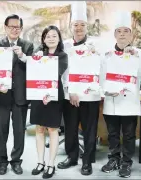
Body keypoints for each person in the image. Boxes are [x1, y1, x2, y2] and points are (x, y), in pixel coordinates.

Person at [99, 11, 141, 178]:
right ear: (114, 35)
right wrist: (104, 90)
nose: (122, 34)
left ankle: (126, 162)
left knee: (128, 135)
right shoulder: (106, 54)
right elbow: (100, 76)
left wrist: (135, 56)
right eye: (119, 31)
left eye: (126, 31)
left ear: (131, 35)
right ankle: (113, 159)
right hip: (111, 100)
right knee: (112, 133)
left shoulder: (140, 53)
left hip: (129, 102)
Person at [57, 1, 102, 175]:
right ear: (71, 27)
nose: (79, 28)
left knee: (90, 129)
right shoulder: (65, 46)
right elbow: (64, 71)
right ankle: (72, 156)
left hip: (90, 96)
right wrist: (71, 90)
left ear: (87, 26)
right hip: (71, 95)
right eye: (75, 25)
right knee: (70, 128)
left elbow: (101, 68)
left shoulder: (95, 45)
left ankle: (87, 161)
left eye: (82, 24)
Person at [0, 14, 34, 175]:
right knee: (1, 130)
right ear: (5, 27)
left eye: (17, 27)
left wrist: (23, 56)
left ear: (21, 29)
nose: (14, 30)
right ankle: (1, 161)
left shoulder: (28, 46)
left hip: (21, 95)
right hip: (2, 95)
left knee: (19, 131)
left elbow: (34, 67)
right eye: (11, 27)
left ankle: (16, 161)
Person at [29, 25, 68, 179]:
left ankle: (51, 164)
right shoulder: (38, 54)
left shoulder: (63, 55)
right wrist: (35, 59)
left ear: (58, 38)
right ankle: (40, 162)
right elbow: (32, 73)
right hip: (38, 94)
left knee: (52, 129)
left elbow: (55, 73)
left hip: (53, 95)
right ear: (43, 39)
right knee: (39, 129)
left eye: (54, 36)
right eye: (48, 36)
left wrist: (42, 61)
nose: (51, 38)